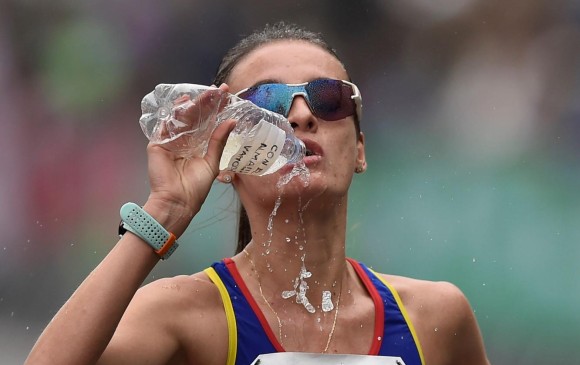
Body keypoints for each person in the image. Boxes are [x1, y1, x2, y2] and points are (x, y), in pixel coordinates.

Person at [25, 22, 490, 365]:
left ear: (360, 150)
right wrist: (165, 211)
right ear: (227, 160)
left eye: (329, 97)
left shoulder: (435, 318)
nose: (302, 116)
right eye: (267, 103)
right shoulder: (184, 315)